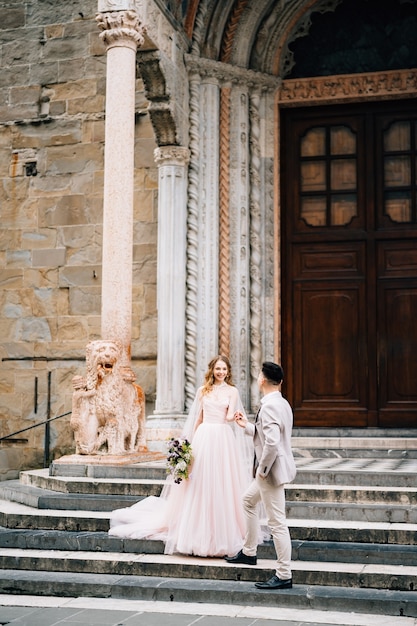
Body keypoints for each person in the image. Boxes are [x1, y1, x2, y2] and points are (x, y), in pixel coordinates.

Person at [109, 355, 252, 558]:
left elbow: (229, 416)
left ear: (228, 371)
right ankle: (197, 532)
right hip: (204, 437)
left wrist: (237, 417)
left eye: (224, 369)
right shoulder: (203, 391)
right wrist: (190, 445)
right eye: (217, 369)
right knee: (200, 483)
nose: (221, 372)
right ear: (212, 370)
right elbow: (199, 419)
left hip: (222, 438)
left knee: (221, 482)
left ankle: (222, 532)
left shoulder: (233, 391)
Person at [225, 361, 296, 590]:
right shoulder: (280, 402)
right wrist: (246, 426)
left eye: (258, 375)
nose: (257, 378)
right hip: (269, 471)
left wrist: (262, 470)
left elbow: (272, 443)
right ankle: (249, 551)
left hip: (270, 472)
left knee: (277, 523)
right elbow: (266, 434)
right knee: (248, 501)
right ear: (281, 382)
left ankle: (284, 573)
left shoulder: (271, 406)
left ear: (263, 380)